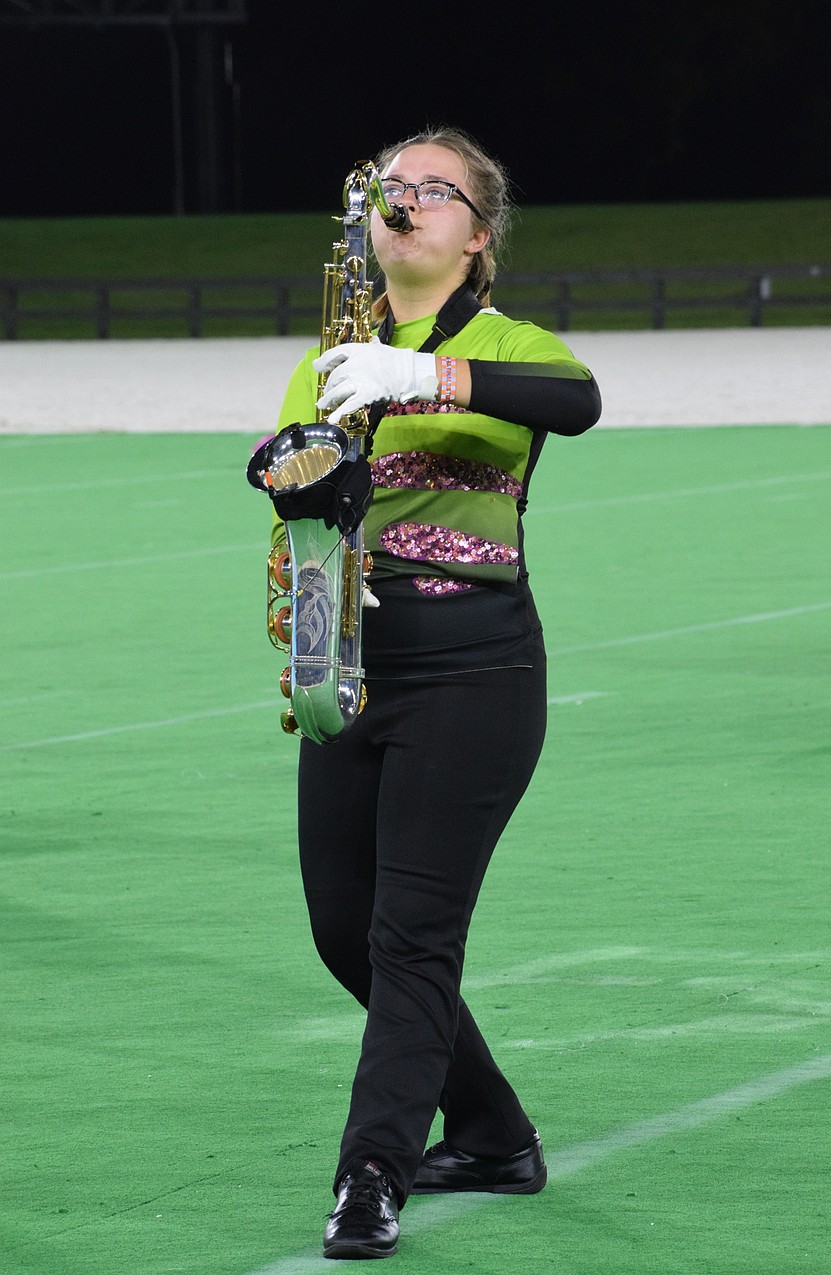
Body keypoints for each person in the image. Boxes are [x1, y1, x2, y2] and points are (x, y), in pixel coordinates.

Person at [266, 127, 601, 1260]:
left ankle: (372, 1173)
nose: (404, 200)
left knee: (410, 937)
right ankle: (495, 1134)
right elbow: (305, 495)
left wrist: (421, 375)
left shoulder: (509, 343)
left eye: (434, 188)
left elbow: (577, 401)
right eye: (389, 186)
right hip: (353, 665)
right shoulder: (325, 358)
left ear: (477, 235)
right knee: (341, 931)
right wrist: (298, 493)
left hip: (476, 668)